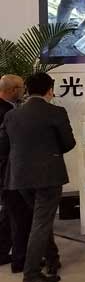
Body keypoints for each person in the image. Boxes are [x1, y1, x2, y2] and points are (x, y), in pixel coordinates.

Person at [0, 72, 76, 282]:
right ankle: (31, 273)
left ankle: (52, 259)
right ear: (49, 90)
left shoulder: (12, 115)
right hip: (48, 176)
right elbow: (69, 143)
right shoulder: (56, 112)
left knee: (41, 219)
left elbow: (3, 147)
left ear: (27, 90)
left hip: (19, 177)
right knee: (41, 223)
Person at [0, 75, 26, 267]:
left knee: (9, 213)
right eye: (22, 88)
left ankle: (2, 252)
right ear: (13, 90)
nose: (24, 91)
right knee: (19, 214)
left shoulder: (8, 109)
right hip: (9, 170)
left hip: (6, 170)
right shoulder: (8, 113)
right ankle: (20, 258)